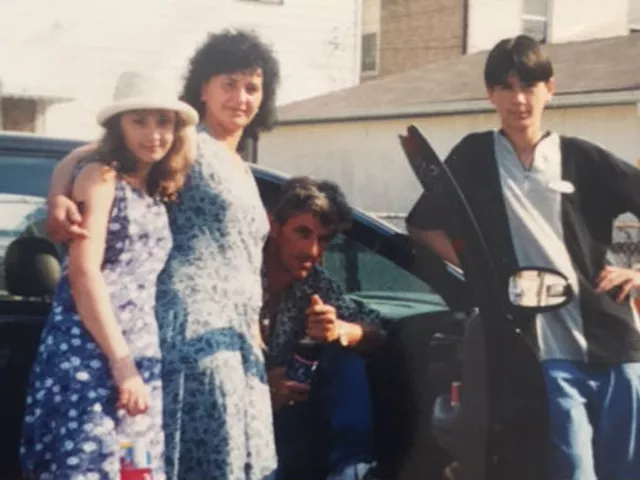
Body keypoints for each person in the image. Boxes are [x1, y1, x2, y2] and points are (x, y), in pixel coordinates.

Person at [44, 29, 281, 480]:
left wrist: (253, 331)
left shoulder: (243, 166)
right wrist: (58, 194)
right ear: (203, 90)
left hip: (234, 339)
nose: (241, 98)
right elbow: (91, 152)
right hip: (192, 329)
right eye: (228, 85)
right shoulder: (190, 142)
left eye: (252, 87)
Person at [406, 34, 640, 480]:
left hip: (614, 339)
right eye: (506, 88)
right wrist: (483, 272)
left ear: (550, 89)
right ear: (490, 94)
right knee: (574, 471)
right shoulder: (474, 157)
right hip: (540, 350)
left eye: (529, 86)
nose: (518, 100)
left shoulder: (583, 158)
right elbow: (421, 226)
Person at [20, 70, 197, 479]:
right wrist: (122, 365)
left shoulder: (153, 185)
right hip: (90, 353)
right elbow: (84, 276)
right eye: (139, 121)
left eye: (163, 122)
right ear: (118, 126)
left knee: (134, 468)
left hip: (137, 351)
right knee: (89, 467)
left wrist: (132, 365)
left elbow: (76, 155)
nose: (154, 134)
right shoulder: (101, 177)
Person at [262, 177, 385, 480]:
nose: (312, 250)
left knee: (345, 357)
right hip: (242, 415)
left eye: (324, 239)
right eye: (302, 233)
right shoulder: (240, 273)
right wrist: (262, 386)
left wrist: (342, 330)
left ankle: (353, 471)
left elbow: (377, 331)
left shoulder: (313, 281)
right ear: (274, 227)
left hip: (293, 421)